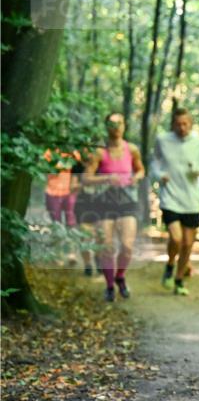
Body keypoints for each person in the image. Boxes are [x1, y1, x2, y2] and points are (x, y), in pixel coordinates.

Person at [150, 107, 199, 296]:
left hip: (192, 198)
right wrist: (159, 174)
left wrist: (195, 168)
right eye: (178, 124)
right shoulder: (163, 140)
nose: (182, 127)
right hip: (170, 196)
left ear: (191, 124)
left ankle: (179, 278)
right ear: (172, 124)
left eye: (185, 123)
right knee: (176, 238)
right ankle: (170, 264)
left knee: (188, 243)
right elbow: (154, 161)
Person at [82, 113, 144, 301]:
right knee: (106, 247)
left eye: (119, 123)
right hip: (104, 202)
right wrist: (107, 178)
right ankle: (109, 286)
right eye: (112, 123)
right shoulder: (100, 152)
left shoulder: (132, 149)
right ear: (106, 126)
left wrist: (137, 177)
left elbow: (141, 169)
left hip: (126, 201)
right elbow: (86, 178)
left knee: (127, 246)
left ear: (124, 126)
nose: (116, 127)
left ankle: (120, 276)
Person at [43, 148, 81, 265]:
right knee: (56, 224)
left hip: (69, 192)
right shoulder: (49, 152)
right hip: (52, 191)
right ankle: (57, 254)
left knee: (71, 223)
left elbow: (77, 169)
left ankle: (72, 253)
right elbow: (48, 168)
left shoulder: (74, 152)